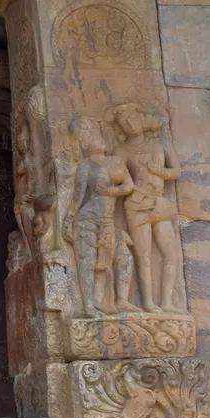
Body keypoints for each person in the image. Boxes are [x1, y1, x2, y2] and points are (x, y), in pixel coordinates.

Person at [64, 116, 139, 317]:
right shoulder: (85, 167)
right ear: (84, 145)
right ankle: (89, 305)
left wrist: (111, 192)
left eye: (98, 135)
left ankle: (121, 300)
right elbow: (77, 198)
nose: (98, 139)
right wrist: (68, 221)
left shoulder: (116, 162)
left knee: (124, 258)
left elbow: (129, 185)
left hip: (107, 221)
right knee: (87, 263)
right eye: (91, 136)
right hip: (86, 221)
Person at [112, 104, 183, 313]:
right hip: (136, 204)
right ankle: (148, 302)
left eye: (133, 118)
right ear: (120, 130)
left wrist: (160, 171)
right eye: (124, 122)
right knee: (143, 255)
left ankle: (168, 301)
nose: (130, 124)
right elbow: (118, 179)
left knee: (171, 252)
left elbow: (176, 171)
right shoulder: (122, 150)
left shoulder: (161, 142)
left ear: (142, 118)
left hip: (159, 202)